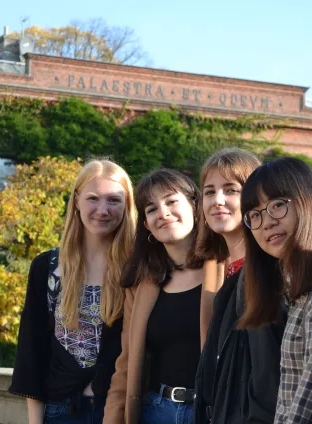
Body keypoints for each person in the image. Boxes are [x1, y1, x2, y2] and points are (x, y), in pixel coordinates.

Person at [9, 159, 137, 424]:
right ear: (77, 201)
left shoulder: (138, 268)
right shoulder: (48, 267)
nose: (102, 210)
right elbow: (32, 349)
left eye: (114, 200)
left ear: (127, 206)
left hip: (120, 412)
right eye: (93, 198)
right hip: (60, 411)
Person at [239, 157, 312, 424]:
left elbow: (310, 408)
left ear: (309, 202)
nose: (267, 222)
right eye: (255, 214)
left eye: (277, 205)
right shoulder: (296, 289)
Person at [103, 168, 208, 424]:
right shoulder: (141, 284)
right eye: (151, 209)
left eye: (172, 201)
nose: (163, 213)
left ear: (195, 206)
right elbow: (125, 364)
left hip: (211, 411)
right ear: (146, 224)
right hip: (156, 411)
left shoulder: (225, 270)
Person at [193, 148, 286, 424]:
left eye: (231, 190)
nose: (217, 200)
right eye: (209, 192)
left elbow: (268, 376)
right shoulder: (220, 273)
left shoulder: (270, 274)